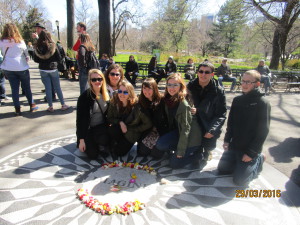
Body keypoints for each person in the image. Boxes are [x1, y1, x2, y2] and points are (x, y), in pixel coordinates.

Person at [217, 70, 270, 186]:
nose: (244, 85)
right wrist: (227, 140)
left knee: (240, 180)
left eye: (248, 82)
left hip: (249, 148)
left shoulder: (263, 103)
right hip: (235, 145)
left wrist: (252, 152)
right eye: (243, 81)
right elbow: (230, 123)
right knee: (222, 169)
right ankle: (239, 163)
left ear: (257, 84)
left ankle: (259, 159)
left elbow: (263, 130)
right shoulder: (237, 100)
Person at [155, 73, 202, 169]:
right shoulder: (169, 99)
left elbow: (186, 129)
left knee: (174, 164)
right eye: (169, 84)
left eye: (175, 85)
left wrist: (180, 151)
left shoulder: (183, 104)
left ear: (181, 86)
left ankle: (198, 155)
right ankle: (180, 151)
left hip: (191, 138)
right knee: (160, 144)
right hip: (179, 132)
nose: (172, 88)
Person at [187, 61, 227, 161]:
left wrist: (212, 130)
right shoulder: (189, 87)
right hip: (194, 122)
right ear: (197, 73)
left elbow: (221, 114)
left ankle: (208, 149)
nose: (203, 74)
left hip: (208, 123)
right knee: (195, 156)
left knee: (209, 145)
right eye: (201, 71)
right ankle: (196, 147)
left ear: (212, 74)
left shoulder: (218, 90)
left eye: (207, 72)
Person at [0, 23, 38, 116]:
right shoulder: (20, 41)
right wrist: (26, 58)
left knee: (14, 89)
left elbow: (2, 53)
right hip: (21, 67)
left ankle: (17, 109)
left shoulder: (2, 42)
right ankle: (32, 105)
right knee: (27, 87)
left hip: (8, 67)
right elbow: (26, 54)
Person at [107, 80, 152, 156]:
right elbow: (109, 117)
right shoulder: (114, 101)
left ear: (130, 93)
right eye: (120, 91)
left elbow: (148, 123)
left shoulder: (137, 105)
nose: (122, 94)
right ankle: (118, 142)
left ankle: (124, 143)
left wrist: (136, 129)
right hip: (120, 128)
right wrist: (120, 122)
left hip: (132, 132)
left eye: (125, 92)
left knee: (119, 153)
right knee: (112, 130)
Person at [76, 69, 110, 159]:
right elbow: (80, 120)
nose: (97, 81)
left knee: (108, 139)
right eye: (94, 80)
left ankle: (100, 143)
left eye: (99, 79)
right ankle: (91, 143)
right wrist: (81, 140)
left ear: (103, 80)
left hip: (101, 128)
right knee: (93, 155)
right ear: (90, 81)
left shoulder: (106, 94)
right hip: (88, 129)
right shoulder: (84, 97)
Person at [33, 30, 69, 112]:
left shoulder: (37, 46)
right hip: (53, 68)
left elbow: (35, 59)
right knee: (57, 87)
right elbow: (59, 58)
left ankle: (50, 106)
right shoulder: (53, 46)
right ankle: (63, 104)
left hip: (43, 69)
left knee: (47, 88)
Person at [137, 78, 168, 158]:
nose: (146, 91)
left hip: (160, 131)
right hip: (149, 131)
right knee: (142, 152)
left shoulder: (162, 100)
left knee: (156, 155)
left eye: (149, 88)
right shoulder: (141, 101)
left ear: (154, 88)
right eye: (144, 88)